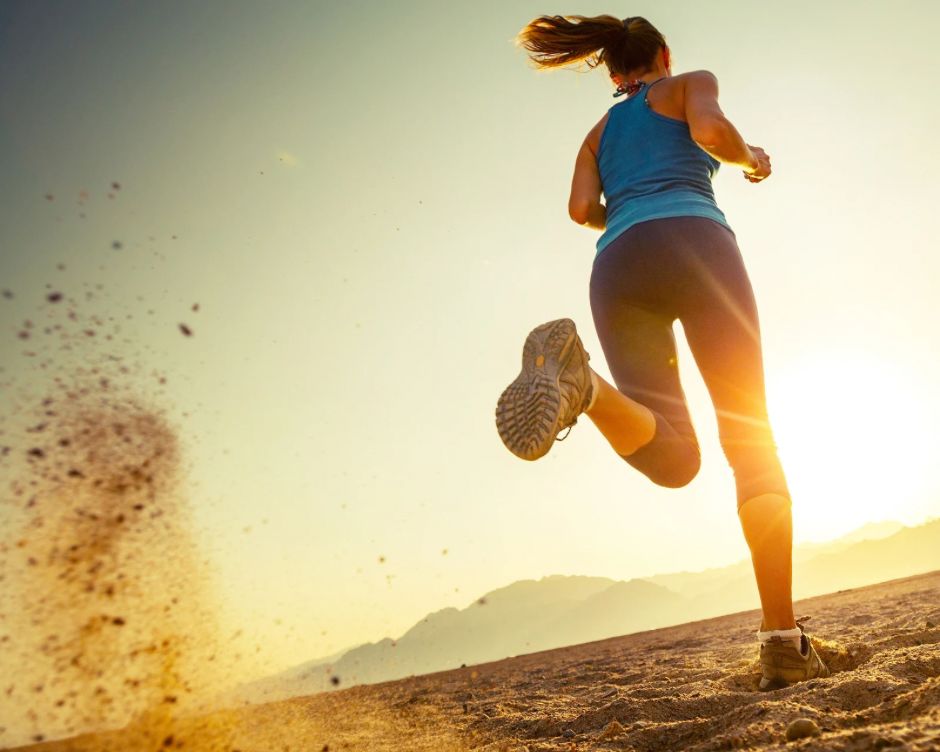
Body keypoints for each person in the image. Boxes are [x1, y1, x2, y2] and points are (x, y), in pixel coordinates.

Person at [495, 14, 829, 691]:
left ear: (614, 73)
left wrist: (624, 202)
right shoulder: (687, 85)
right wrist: (749, 160)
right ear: (664, 56)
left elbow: (581, 209)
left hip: (617, 266)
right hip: (695, 243)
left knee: (674, 459)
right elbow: (711, 133)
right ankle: (780, 639)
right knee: (750, 441)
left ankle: (582, 386)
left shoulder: (596, 133)